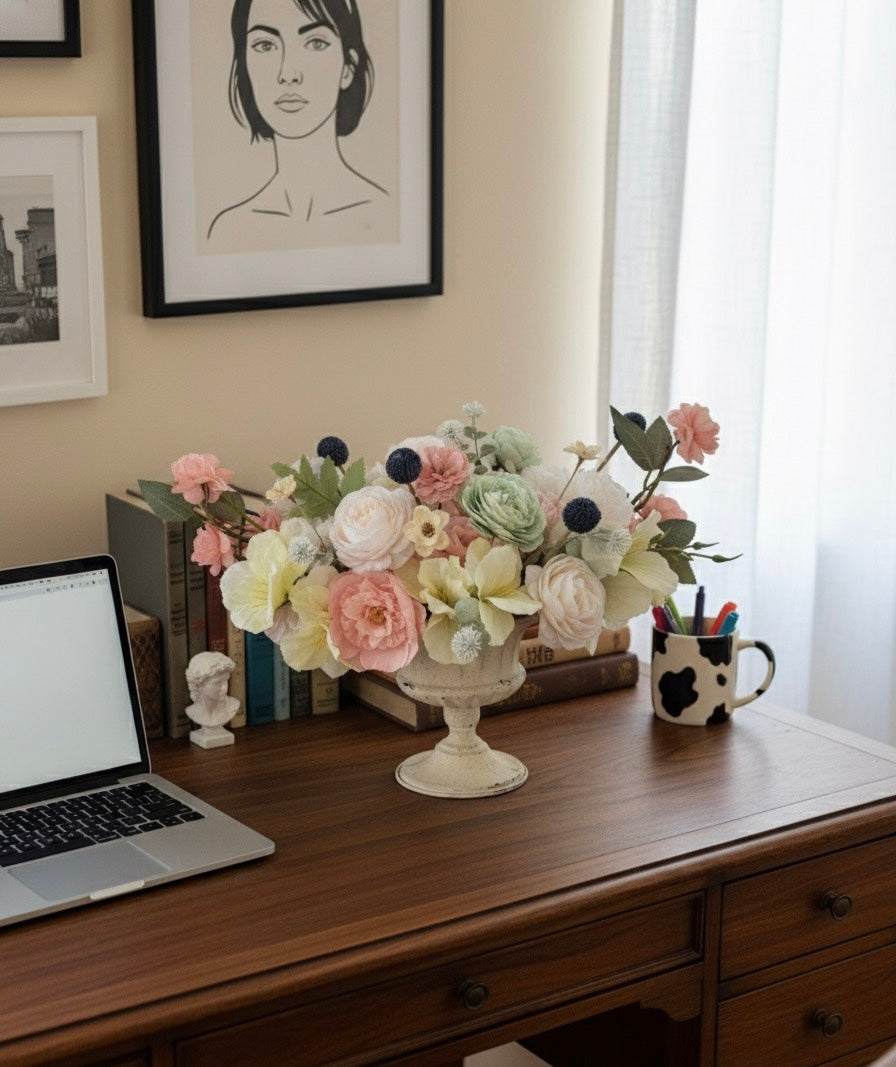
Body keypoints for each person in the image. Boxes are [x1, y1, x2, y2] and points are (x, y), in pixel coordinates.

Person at [206, 0, 388, 245]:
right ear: (245, 65)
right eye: (265, 45)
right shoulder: (227, 229)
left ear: (348, 67)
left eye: (315, 43)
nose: (288, 73)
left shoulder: (385, 214)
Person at [185, 651, 240, 748]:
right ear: (200, 684)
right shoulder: (193, 712)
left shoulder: (232, 706)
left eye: (226, 680)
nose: (224, 687)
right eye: (217, 683)